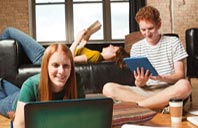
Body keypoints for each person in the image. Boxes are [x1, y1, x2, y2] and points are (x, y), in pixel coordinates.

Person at [102, 6, 192, 110]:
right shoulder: (136, 47)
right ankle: (157, 105)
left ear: (159, 24)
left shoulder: (173, 42)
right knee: (108, 88)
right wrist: (140, 82)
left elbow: (180, 75)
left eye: (150, 28)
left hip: (168, 90)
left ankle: (140, 106)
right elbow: (138, 84)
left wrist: (161, 78)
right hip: (146, 92)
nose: (147, 33)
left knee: (185, 85)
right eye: (143, 30)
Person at [1, 43, 78, 128]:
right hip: (15, 103)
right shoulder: (30, 85)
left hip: (27, 95)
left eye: (66, 66)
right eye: (55, 65)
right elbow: (19, 125)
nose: (61, 71)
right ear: (46, 66)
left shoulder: (76, 80)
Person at [0, 27, 129, 68]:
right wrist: (84, 40)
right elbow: (78, 51)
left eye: (114, 48)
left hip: (44, 56)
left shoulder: (96, 56)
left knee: (9, 31)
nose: (111, 45)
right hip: (48, 55)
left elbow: (69, 58)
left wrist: (77, 38)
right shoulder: (95, 54)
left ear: (114, 55)